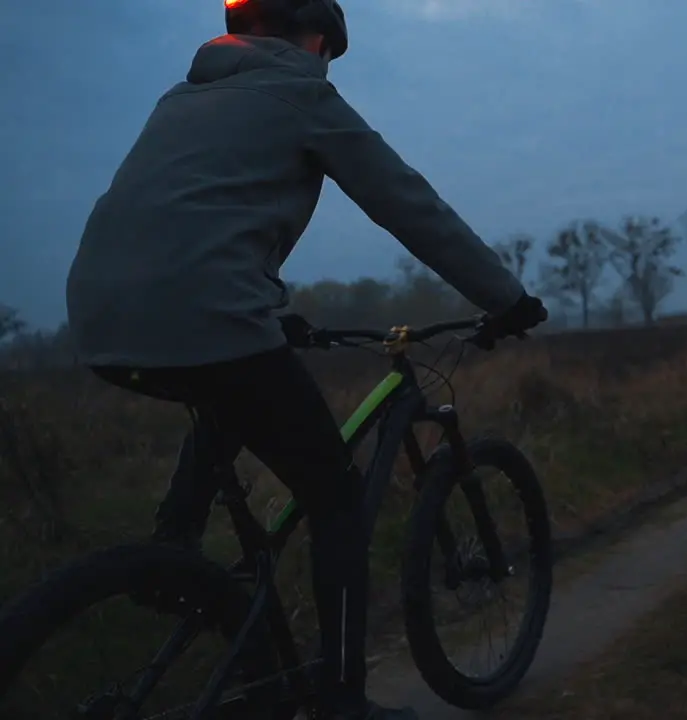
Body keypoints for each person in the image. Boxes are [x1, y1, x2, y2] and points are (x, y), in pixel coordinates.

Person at [63, 0, 546, 717]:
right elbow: (408, 203)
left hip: (101, 317)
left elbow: (192, 216)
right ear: (318, 39)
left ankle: (175, 555)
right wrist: (505, 298)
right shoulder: (303, 93)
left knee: (229, 384)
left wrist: (266, 308)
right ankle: (341, 700)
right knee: (336, 498)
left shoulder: (183, 96)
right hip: (210, 313)